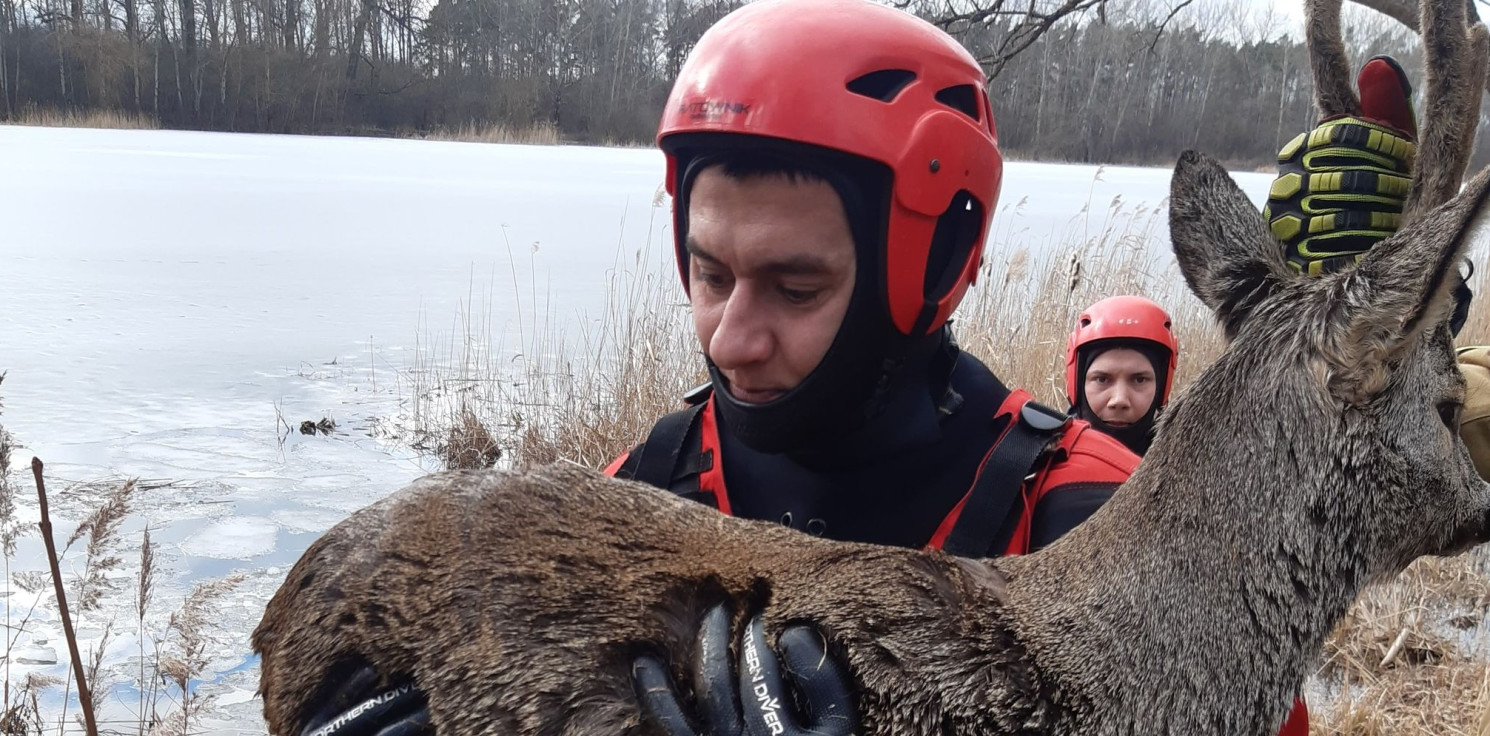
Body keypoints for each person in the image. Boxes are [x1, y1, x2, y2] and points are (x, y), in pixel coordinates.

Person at [292, 2, 1404, 735]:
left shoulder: (1080, 512)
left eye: (793, 286)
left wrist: (1329, 356)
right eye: (705, 270)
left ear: (927, 267)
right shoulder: (646, 485)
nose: (730, 336)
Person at [1064, 295, 1178, 456]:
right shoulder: (1039, 462)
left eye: (1139, 380)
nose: (1119, 400)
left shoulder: (1185, 466)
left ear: (1162, 389)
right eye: (1102, 379)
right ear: (1076, 385)